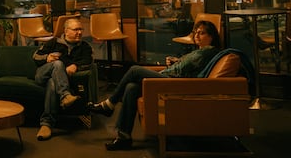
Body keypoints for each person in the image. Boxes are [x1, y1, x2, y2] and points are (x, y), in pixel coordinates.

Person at [88, 20, 221, 150]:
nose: (197, 36)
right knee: (131, 88)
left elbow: (183, 68)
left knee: (134, 70)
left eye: (202, 33)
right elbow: (186, 65)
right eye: (195, 32)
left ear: (212, 36)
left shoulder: (207, 51)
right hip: (172, 78)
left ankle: (109, 104)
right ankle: (124, 137)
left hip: (175, 83)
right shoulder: (201, 51)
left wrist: (176, 64)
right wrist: (176, 61)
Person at [32, 18, 94, 141]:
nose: (80, 32)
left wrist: (76, 66)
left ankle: (46, 124)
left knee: (52, 83)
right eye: (76, 29)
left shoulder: (85, 47)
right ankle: (65, 95)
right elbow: (35, 56)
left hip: (55, 80)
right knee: (58, 64)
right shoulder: (54, 42)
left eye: (81, 29)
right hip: (42, 74)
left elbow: (89, 61)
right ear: (66, 31)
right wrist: (46, 57)